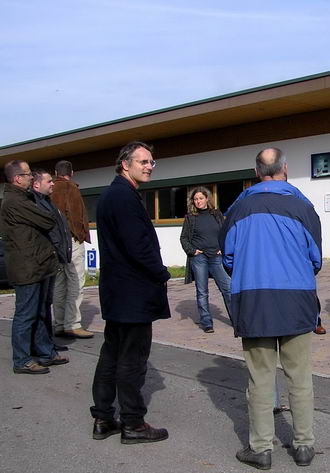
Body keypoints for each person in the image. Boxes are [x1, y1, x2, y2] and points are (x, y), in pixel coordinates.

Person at [222, 147, 321, 470]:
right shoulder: (303, 206)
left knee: (260, 378)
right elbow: (316, 257)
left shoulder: (239, 207)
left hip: (255, 299)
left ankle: (261, 448)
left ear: (256, 172)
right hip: (296, 297)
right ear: (285, 169)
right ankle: (304, 445)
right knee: (300, 376)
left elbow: (228, 257)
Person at [90, 142, 170, 444]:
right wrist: (162, 274)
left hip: (118, 291)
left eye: (152, 162)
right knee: (131, 359)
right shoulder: (122, 196)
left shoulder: (113, 194)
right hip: (132, 292)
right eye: (144, 161)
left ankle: (103, 418)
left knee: (111, 354)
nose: (149, 166)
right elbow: (138, 247)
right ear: (126, 164)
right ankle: (133, 423)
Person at [1, 160, 66, 374]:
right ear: (17, 178)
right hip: (26, 267)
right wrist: (45, 216)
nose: (31, 177)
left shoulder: (25, 199)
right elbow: (48, 220)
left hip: (37, 264)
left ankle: (45, 353)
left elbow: (48, 220)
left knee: (38, 312)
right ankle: (21, 360)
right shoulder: (14, 202)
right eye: (28, 174)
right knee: (26, 314)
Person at [30, 170, 72, 355]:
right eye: (49, 181)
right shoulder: (35, 203)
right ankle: (42, 347)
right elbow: (48, 232)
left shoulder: (48, 202)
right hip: (45, 260)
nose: (52, 184)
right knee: (40, 307)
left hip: (53, 260)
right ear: (36, 184)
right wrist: (55, 250)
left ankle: (48, 343)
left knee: (47, 305)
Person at [51, 160, 94, 339]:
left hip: (54, 242)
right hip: (72, 240)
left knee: (59, 283)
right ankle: (73, 323)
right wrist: (80, 235)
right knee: (76, 281)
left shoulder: (50, 188)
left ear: (55, 172)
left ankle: (59, 323)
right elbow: (76, 215)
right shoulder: (71, 188)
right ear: (72, 172)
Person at [180, 186, 231, 333]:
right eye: (195, 199)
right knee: (202, 291)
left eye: (201, 198)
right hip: (199, 257)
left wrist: (223, 248)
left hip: (216, 256)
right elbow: (183, 238)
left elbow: (225, 232)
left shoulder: (216, 214)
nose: (198, 201)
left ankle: (237, 319)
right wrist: (192, 251)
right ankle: (206, 322)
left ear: (207, 199)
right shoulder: (190, 217)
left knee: (228, 288)